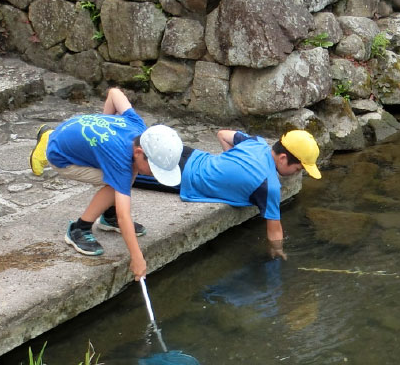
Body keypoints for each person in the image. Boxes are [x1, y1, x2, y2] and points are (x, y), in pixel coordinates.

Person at [30, 88, 183, 279]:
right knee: (118, 182)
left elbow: (114, 93)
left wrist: (102, 135)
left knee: (125, 175)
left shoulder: (138, 127)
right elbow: (124, 216)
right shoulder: (120, 159)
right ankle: (79, 228)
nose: (153, 175)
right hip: (59, 156)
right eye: (153, 169)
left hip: (70, 129)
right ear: (139, 152)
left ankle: (106, 215)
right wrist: (137, 258)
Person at [136, 129, 321, 260]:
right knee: (127, 171)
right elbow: (274, 229)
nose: (298, 173)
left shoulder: (256, 142)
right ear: (282, 159)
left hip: (190, 154)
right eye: (298, 169)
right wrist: (278, 251)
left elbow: (223, 134)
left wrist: (232, 167)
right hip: (183, 178)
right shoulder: (269, 186)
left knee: (137, 149)